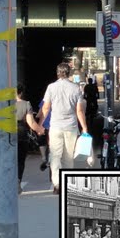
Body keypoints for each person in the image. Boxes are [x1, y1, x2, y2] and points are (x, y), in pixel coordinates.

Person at [40, 62, 88, 194]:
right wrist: (84, 127)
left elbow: (46, 107)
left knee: (55, 155)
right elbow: (79, 111)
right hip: (71, 127)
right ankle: (66, 182)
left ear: (57, 73)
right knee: (68, 157)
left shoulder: (51, 87)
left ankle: (57, 183)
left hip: (55, 126)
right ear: (69, 73)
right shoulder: (76, 88)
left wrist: (40, 125)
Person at [13, 85, 34, 193]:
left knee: (9, 160)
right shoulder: (26, 104)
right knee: (20, 160)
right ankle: (18, 180)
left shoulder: (6, 104)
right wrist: (39, 130)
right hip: (21, 134)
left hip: (8, 134)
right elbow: (30, 122)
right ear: (21, 93)